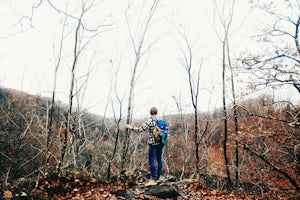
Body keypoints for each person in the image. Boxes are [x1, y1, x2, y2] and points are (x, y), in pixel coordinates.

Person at [125, 107, 165, 186]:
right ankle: (158, 177)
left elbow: (140, 129)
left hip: (153, 144)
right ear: (156, 112)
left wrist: (130, 127)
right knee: (159, 159)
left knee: (151, 161)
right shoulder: (161, 120)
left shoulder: (150, 120)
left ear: (150, 113)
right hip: (160, 143)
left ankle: (153, 179)